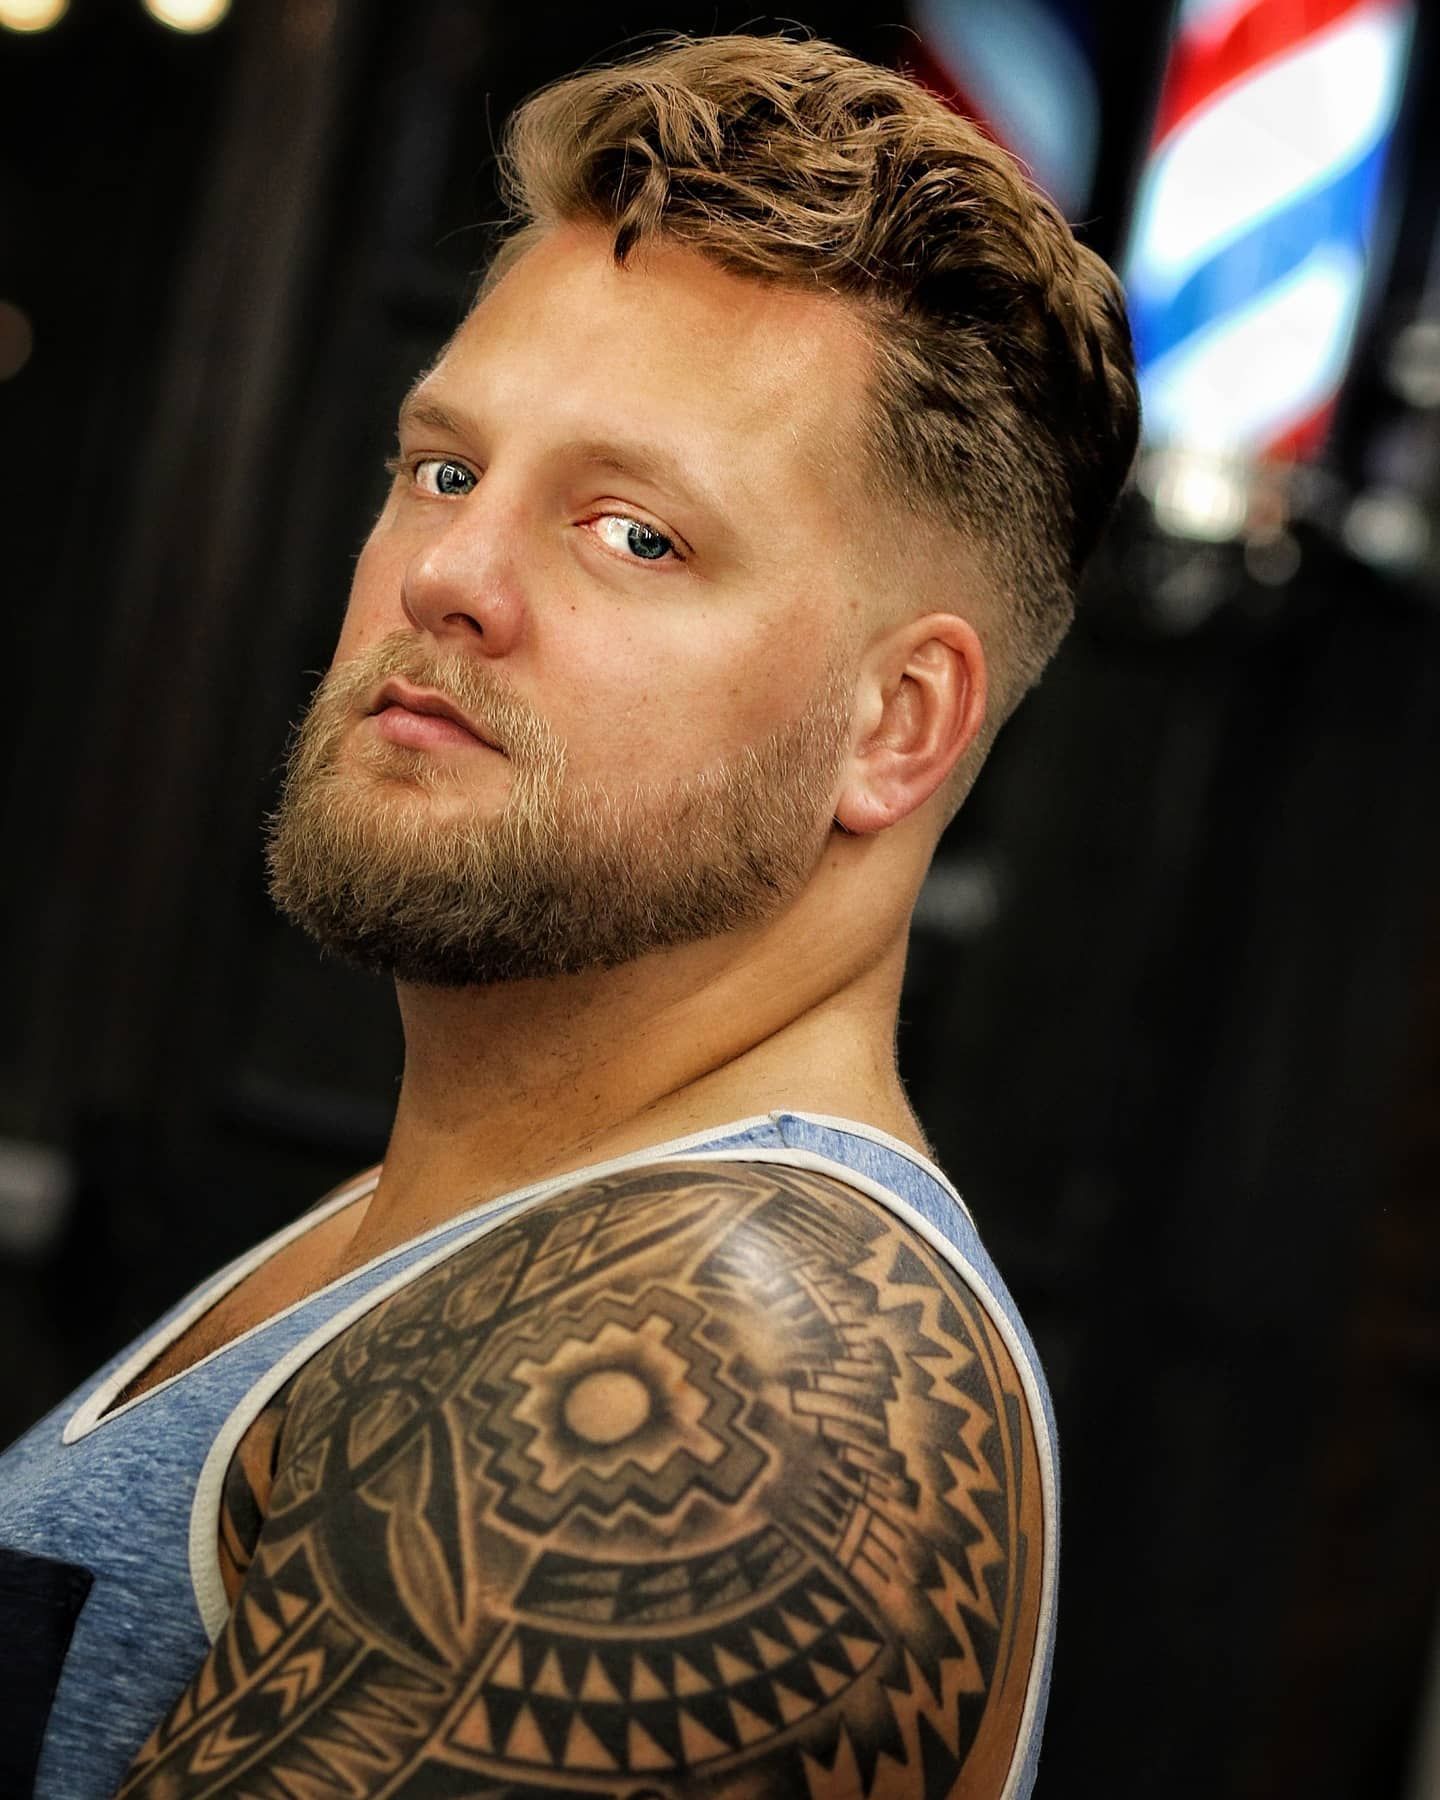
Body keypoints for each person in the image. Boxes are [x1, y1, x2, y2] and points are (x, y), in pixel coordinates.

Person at [0, 31, 1137, 1800]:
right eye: (445, 470)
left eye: (631, 533)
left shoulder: (733, 1384)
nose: (448, 576)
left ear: (895, 726)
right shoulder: (452, 1221)